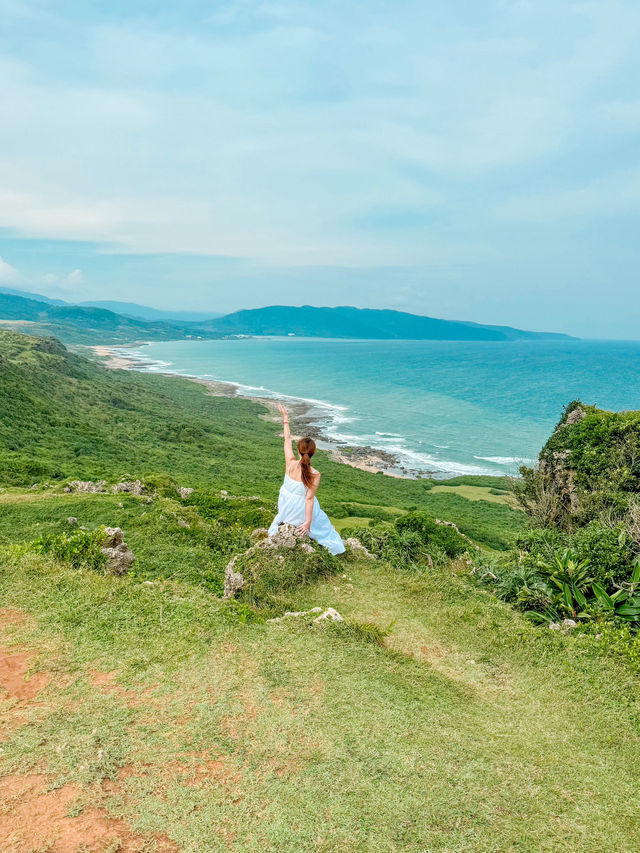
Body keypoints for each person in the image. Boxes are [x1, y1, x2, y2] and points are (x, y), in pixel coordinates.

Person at [268, 403, 345, 555]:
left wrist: (285, 418)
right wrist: (307, 522)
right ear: (313, 453)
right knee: (322, 522)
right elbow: (309, 500)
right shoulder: (315, 474)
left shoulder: (290, 464)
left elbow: (287, 440)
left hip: (286, 507)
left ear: (298, 451)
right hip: (301, 511)